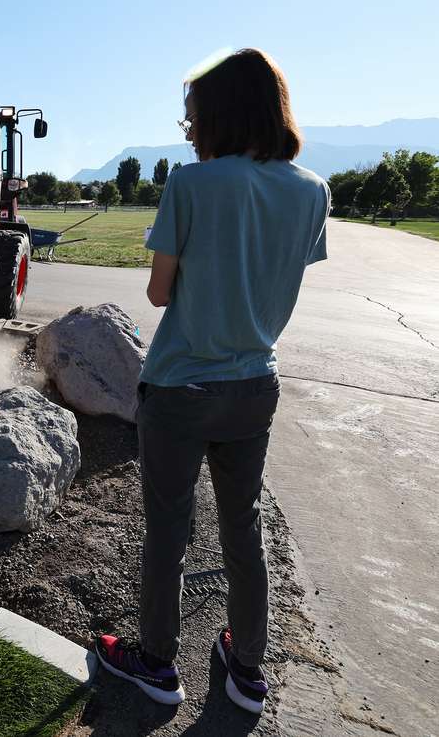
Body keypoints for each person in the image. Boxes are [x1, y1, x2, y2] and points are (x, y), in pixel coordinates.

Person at [92, 48, 329, 715]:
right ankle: (246, 671)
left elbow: (160, 293)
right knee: (242, 531)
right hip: (255, 384)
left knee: (168, 533)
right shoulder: (313, 191)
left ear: (220, 114)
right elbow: (274, 279)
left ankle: (156, 666)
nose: (188, 129)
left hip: (180, 387)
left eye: (192, 116)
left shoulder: (190, 185)